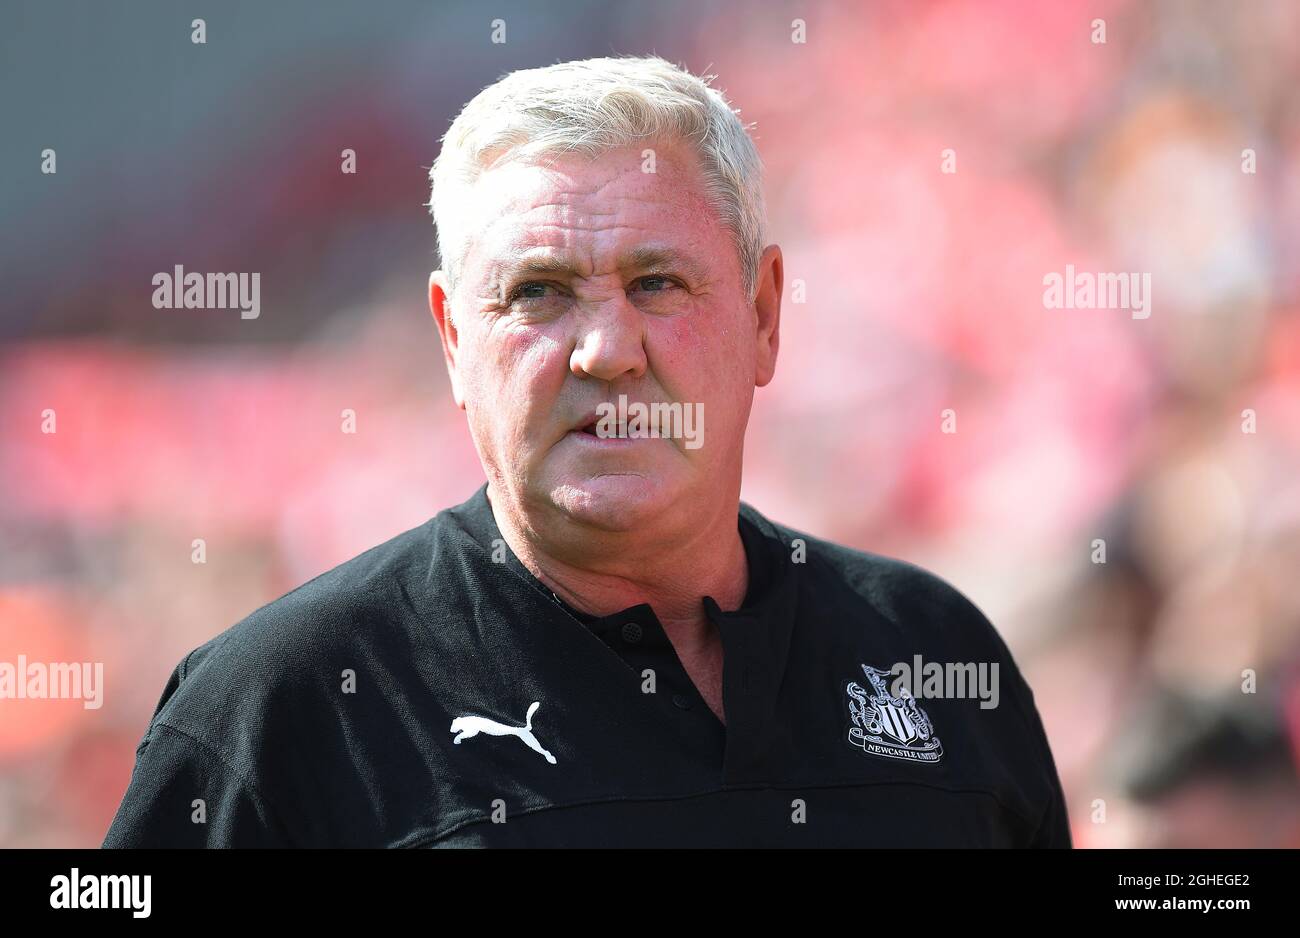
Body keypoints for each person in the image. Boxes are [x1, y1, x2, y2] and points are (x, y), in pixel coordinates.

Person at [103, 55, 1070, 847]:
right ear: (452, 340)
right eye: (538, 292)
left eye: (657, 282)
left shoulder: (935, 659)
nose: (606, 351)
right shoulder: (278, 711)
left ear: (766, 315)